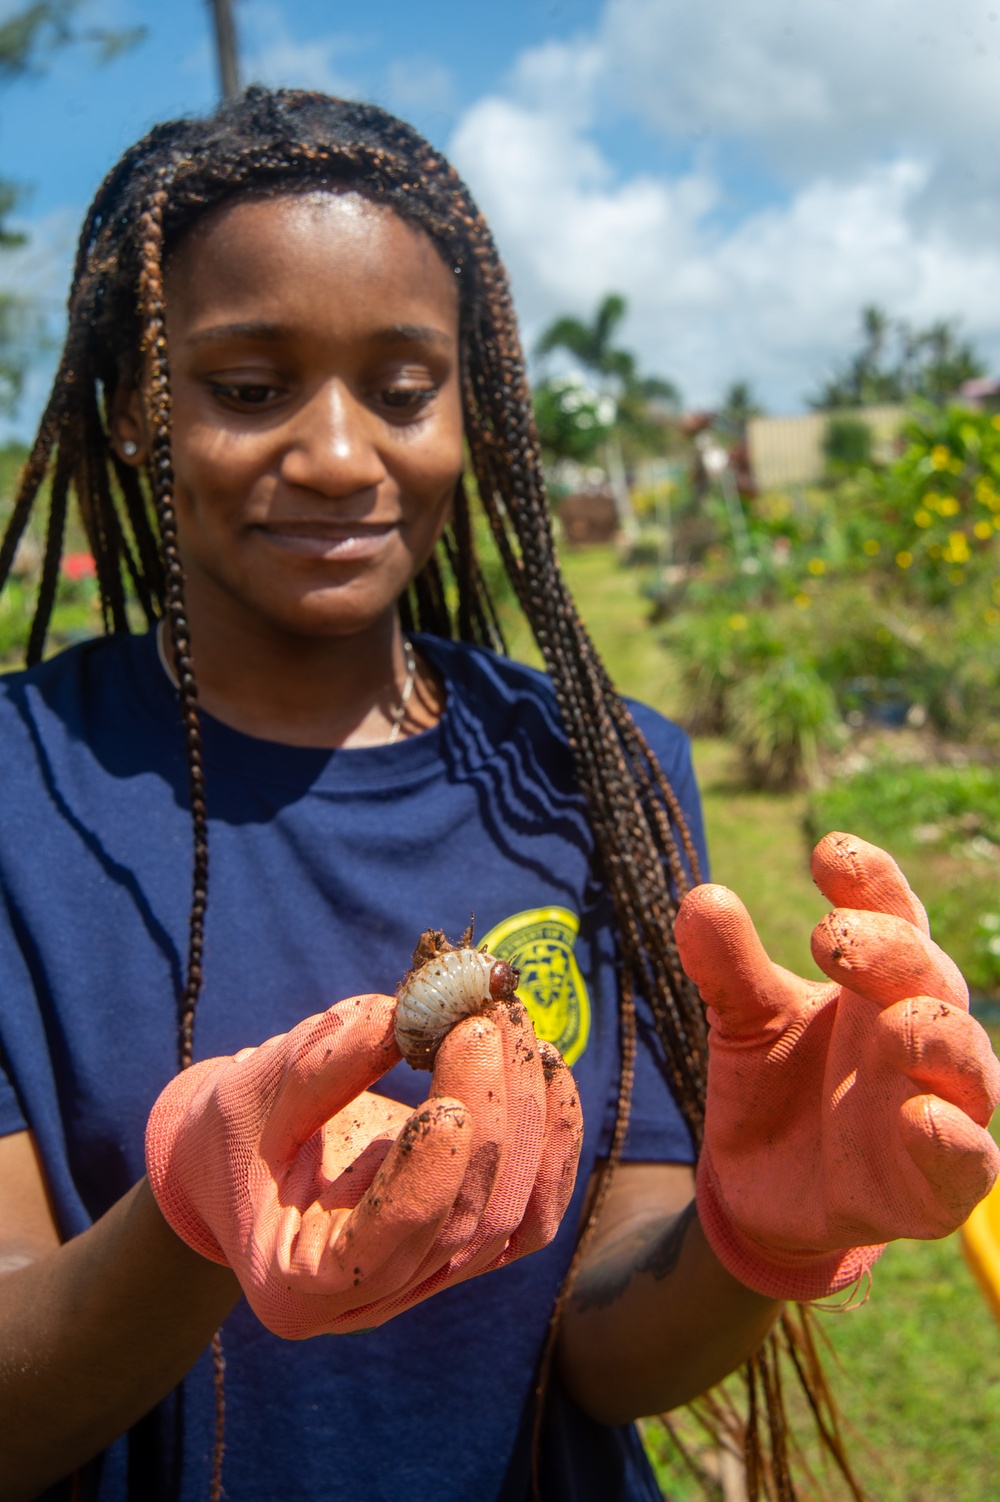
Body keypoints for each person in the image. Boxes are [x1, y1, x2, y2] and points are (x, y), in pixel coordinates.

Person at [0, 88, 996, 1502]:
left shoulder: (600, 765)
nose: (341, 455)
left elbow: (600, 1341)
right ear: (123, 416)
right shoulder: (16, 794)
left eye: (403, 389)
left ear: (474, 407)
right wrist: (195, 1223)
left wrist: (755, 1235)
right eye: (247, 386)